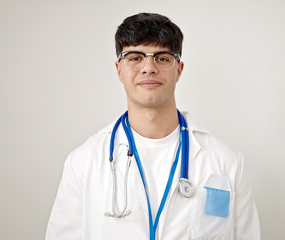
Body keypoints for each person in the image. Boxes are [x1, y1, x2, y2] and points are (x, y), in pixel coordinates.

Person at [46, 12, 260, 240]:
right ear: (119, 69)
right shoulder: (82, 163)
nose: (149, 67)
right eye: (135, 57)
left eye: (163, 57)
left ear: (179, 69)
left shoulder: (227, 163)